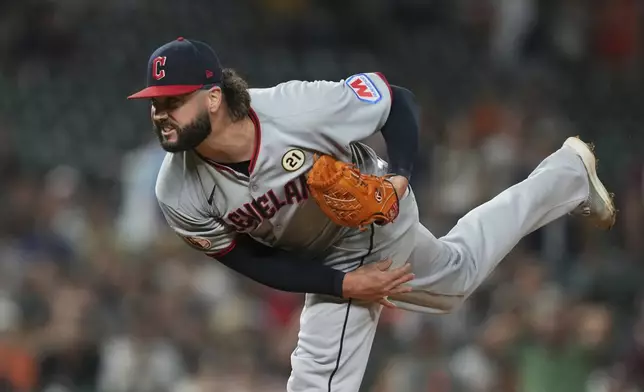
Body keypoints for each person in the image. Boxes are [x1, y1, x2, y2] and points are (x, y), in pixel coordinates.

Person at [127, 37, 616, 392]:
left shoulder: (297, 109)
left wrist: (401, 177)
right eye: (154, 104)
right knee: (456, 276)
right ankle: (569, 174)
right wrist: (341, 285)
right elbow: (250, 261)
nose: (160, 114)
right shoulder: (177, 191)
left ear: (213, 97)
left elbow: (395, 101)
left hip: (370, 220)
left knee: (319, 376)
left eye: (173, 101)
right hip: (322, 253)